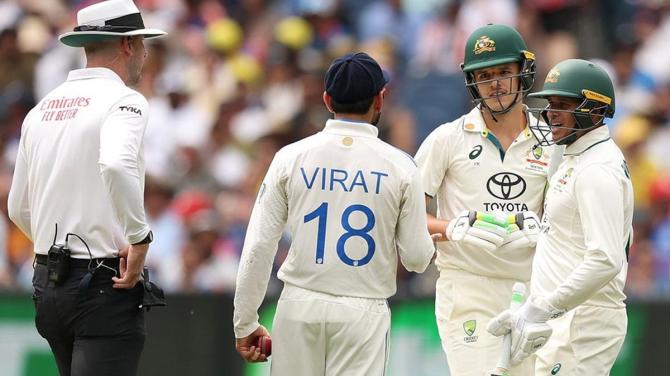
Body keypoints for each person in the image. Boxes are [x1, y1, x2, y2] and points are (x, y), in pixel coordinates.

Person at [233, 52, 435, 375]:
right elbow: (416, 258)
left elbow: (258, 245)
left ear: (327, 100)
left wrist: (245, 321)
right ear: (380, 100)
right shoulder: (401, 167)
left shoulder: (290, 157)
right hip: (363, 312)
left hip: (298, 304)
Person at [6, 1, 164, 375]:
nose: (145, 51)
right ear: (126, 44)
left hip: (48, 283)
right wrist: (139, 239)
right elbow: (115, 164)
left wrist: (56, 251)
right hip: (101, 283)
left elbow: (17, 207)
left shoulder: (41, 109)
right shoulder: (124, 100)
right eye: (141, 42)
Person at [414, 24, 560, 376]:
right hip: (468, 287)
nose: (494, 84)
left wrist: (547, 231)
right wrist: (452, 228)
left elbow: (567, 216)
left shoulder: (553, 141)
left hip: (534, 291)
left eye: (503, 72)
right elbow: (406, 214)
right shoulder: (447, 139)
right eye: (484, 75)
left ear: (522, 72)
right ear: (472, 82)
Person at [487, 59, 633, 375]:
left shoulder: (596, 170)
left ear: (595, 110)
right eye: (550, 103)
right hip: (566, 316)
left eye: (563, 104)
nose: (551, 113)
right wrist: (530, 308)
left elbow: (605, 259)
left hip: (583, 321)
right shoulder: (574, 154)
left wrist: (544, 308)